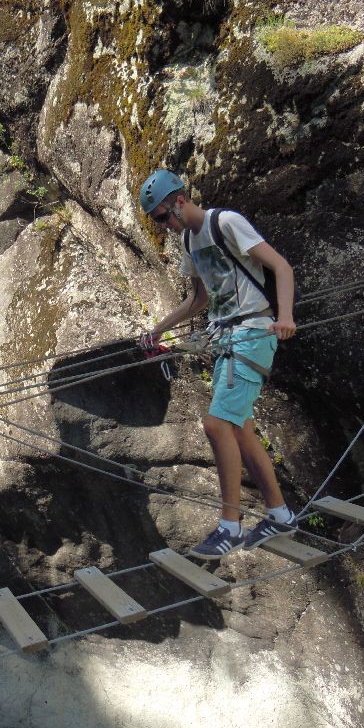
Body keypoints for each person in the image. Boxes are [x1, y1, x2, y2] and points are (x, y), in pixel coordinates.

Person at [138, 169, 298, 559]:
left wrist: (286, 317)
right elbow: (199, 300)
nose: (165, 226)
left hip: (254, 331)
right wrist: (158, 330)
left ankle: (230, 526)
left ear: (179, 200)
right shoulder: (190, 241)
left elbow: (282, 267)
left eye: (163, 217)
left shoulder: (225, 222)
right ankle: (279, 515)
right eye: (157, 222)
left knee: (216, 423)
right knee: (240, 428)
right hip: (224, 337)